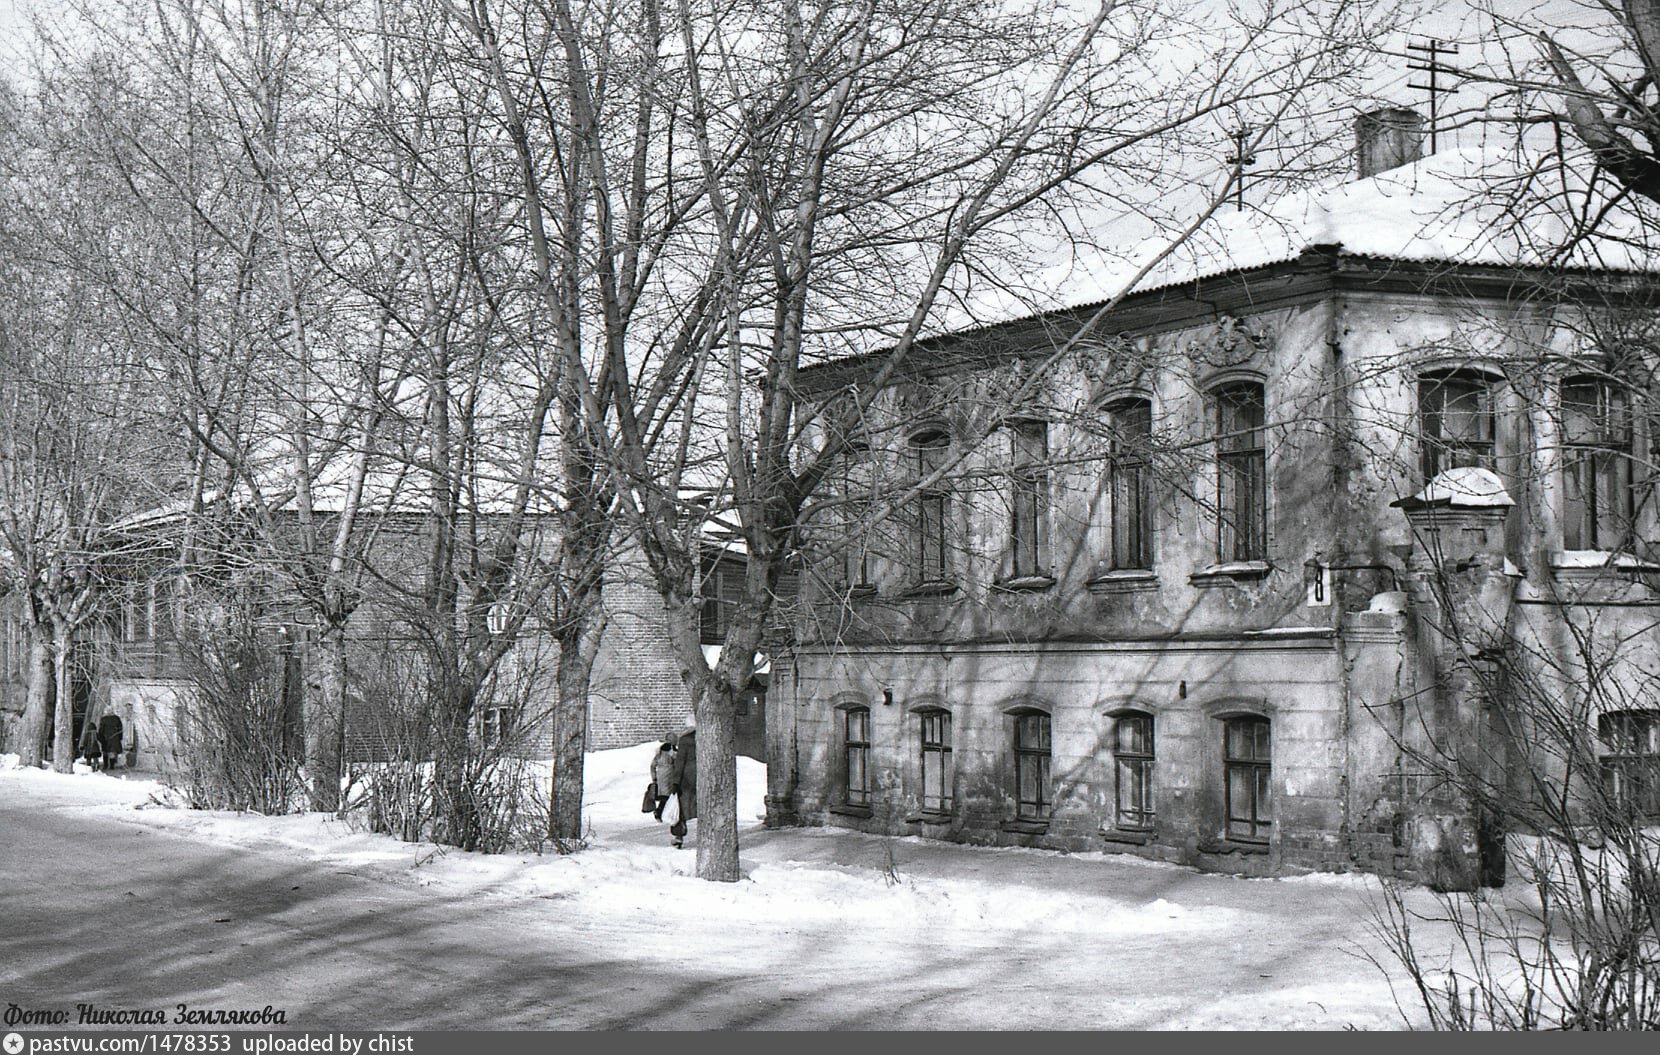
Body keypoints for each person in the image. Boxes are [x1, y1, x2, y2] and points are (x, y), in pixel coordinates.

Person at [667, 725, 697, 849]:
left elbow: (680, 763)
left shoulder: (685, 740)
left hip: (686, 779)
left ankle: (678, 837)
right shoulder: (706, 735)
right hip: (702, 777)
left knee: (680, 810)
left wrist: (675, 782)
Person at [649, 740, 675, 821]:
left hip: (660, 778)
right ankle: (660, 812)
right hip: (670, 778)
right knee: (667, 797)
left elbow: (652, 766)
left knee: (664, 796)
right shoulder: (672, 755)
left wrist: (654, 777)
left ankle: (660, 812)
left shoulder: (658, 755)